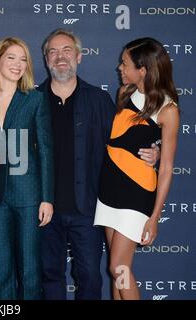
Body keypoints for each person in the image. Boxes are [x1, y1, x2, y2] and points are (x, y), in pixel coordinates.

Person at [38, 29, 159, 300]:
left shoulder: (99, 100)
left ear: (79, 57)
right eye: (54, 52)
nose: (61, 57)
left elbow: (123, 144)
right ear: (46, 59)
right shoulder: (33, 100)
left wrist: (155, 152)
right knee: (49, 277)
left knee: (91, 280)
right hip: (45, 209)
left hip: (89, 209)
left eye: (67, 50)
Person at [94, 38, 179, 300]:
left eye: (125, 63)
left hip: (137, 193)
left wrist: (154, 217)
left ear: (142, 69)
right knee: (119, 269)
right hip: (109, 190)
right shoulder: (124, 93)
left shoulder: (168, 109)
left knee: (117, 266)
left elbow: (165, 168)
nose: (120, 67)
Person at [0, 37, 54, 299]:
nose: (18, 64)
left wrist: (46, 198)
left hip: (29, 195)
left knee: (30, 271)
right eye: (11, 57)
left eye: (23, 59)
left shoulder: (34, 99)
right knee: (1, 270)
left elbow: (45, 149)